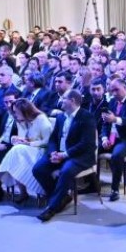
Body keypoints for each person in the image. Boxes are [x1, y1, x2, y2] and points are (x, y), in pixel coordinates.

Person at [33, 90, 98, 222]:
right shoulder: (61, 117)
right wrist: (53, 152)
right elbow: (53, 139)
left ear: (72, 101)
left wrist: (64, 155)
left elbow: (86, 144)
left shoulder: (87, 117)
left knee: (66, 171)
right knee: (38, 169)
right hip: (60, 153)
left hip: (80, 156)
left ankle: (52, 208)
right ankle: (60, 197)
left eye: (63, 98)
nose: (60, 101)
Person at [0, 99, 53, 203]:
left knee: (16, 151)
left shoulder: (41, 119)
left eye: (16, 112)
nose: (15, 114)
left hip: (42, 151)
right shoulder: (21, 121)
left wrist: (29, 143)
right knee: (16, 155)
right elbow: (23, 139)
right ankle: (22, 192)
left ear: (25, 111)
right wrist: (16, 139)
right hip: (26, 150)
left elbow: (48, 142)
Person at [98, 77, 126, 201]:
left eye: (116, 90)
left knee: (117, 155)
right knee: (92, 148)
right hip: (112, 138)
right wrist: (104, 138)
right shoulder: (113, 102)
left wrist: (114, 119)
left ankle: (115, 189)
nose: (114, 93)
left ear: (124, 87)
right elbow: (105, 124)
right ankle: (92, 184)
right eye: (112, 90)